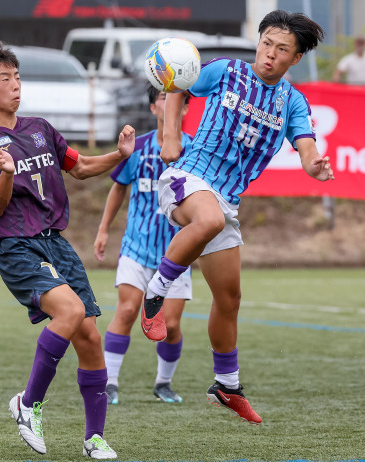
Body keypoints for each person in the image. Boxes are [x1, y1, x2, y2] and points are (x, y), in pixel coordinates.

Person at [140, 10, 335, 425]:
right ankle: (155, 294)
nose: (270, 54)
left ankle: (226, 386)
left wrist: (314, 164)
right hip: (187, 178)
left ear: (295, 58)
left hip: (227, 199)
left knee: (229, 299)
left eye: (282, 49)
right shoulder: (228, 71)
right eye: (266, 43)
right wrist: (170, 134)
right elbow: (178, 85)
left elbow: (305, 147)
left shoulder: (291, 101)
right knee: (207, 220)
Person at [0, 40, 135, 459]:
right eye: (5, 78)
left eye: (17, 76)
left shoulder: (40, 128)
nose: (15, 85)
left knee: (90, 338)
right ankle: (28, 403)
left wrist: (119, 154)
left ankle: (94, 438)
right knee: (71, 313)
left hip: (55, 243)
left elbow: (79, 167)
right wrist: (5, 174)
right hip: (17, 247)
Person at [94, 84, 192, 405]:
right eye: (163, 97)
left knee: (171, 324)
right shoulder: (138, 149)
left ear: (186, 108)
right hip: (136, 248)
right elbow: (119, 188)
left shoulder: (194, 152)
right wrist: (104, 229)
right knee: (126, 310)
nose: (169, 103)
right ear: (153, 108)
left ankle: (163, 383)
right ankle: (109, 384)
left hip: (176, 252)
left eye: (176, 99)